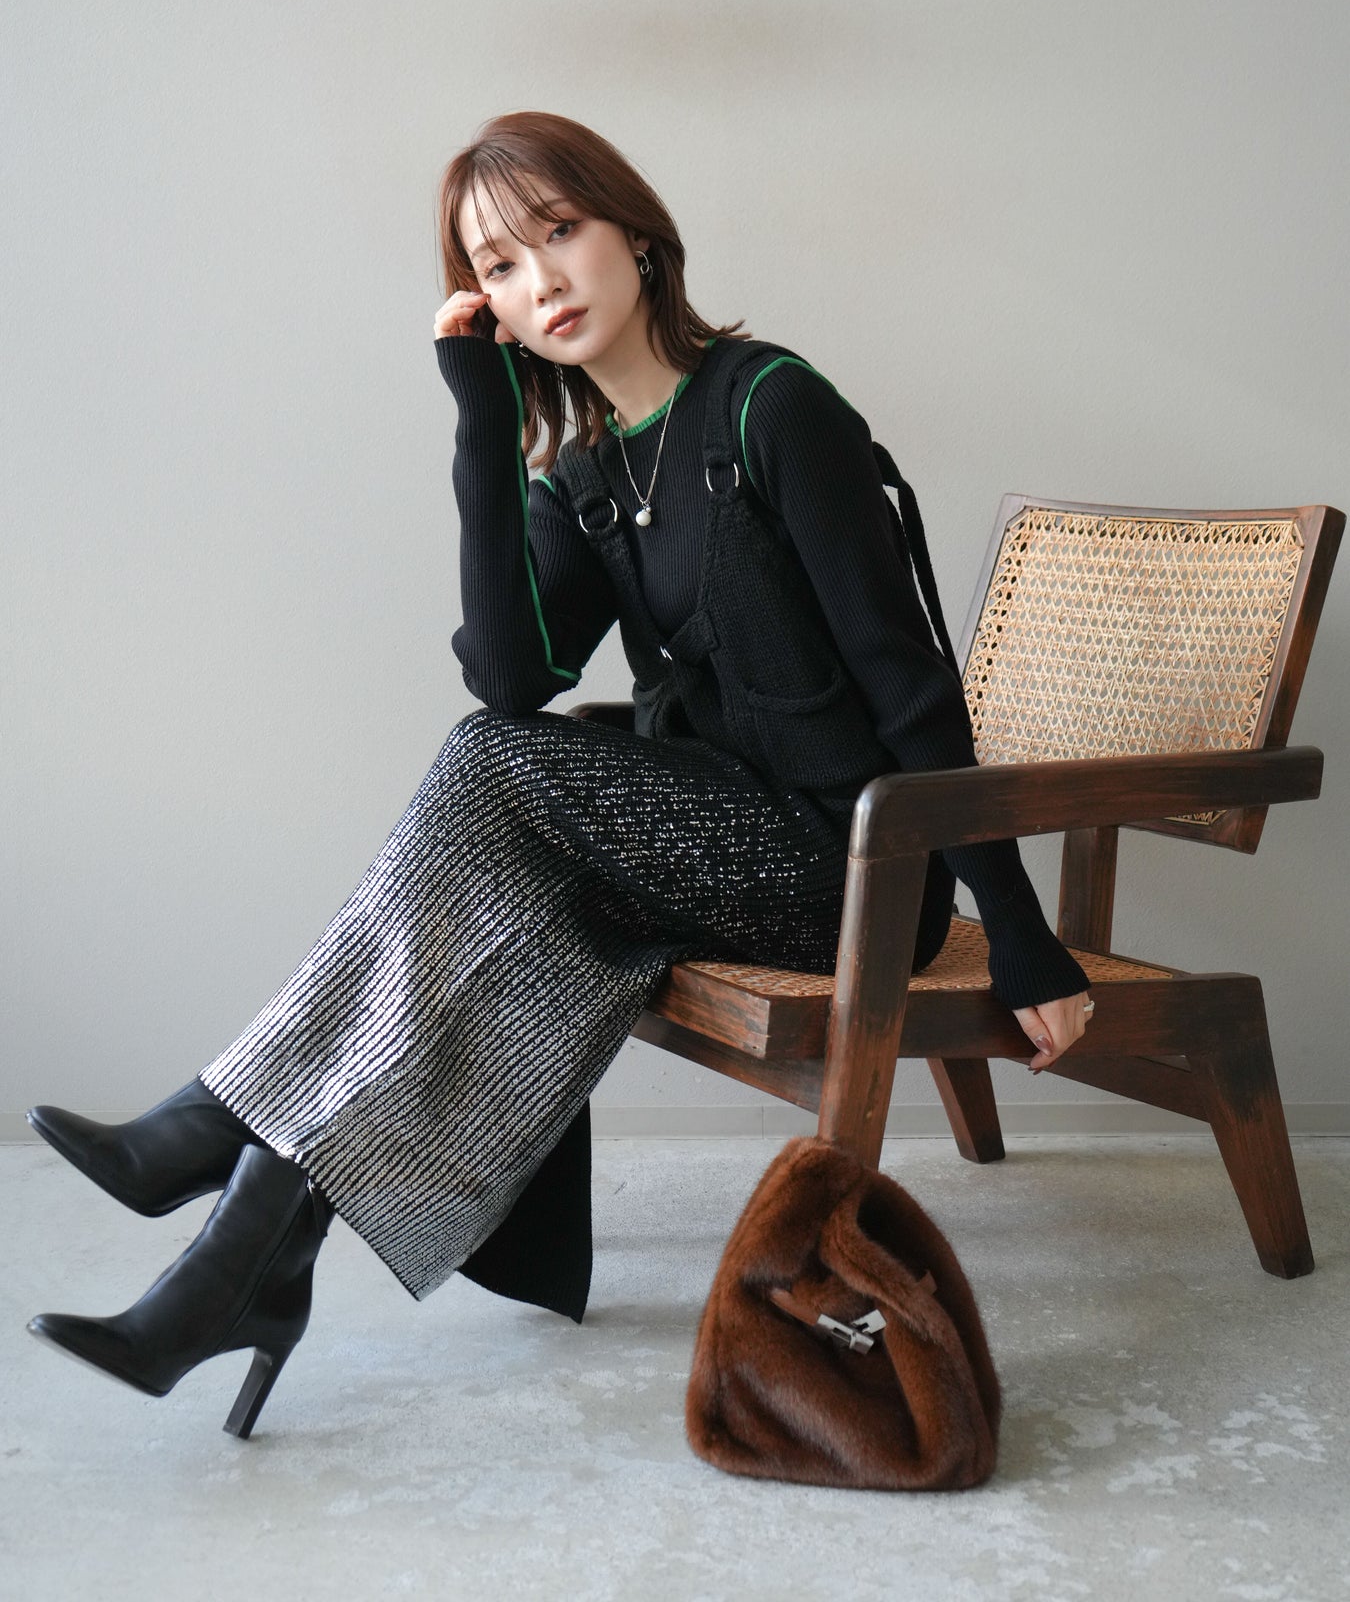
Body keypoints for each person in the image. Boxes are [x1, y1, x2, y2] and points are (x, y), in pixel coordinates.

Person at [25, 110, 1093, 1438]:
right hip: (712, 849)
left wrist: (1022, 935)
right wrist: (482, 422)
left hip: (853, 867)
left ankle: (220, 1126)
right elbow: (508, 673)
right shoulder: (587, 472)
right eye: (502, 267)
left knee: (492, 778)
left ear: (635, 233)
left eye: (559, 232)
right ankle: (234, 1267)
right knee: (517, 884)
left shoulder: (773, 407)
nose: (542, 281)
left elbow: (909, 682)